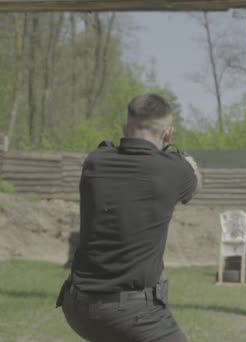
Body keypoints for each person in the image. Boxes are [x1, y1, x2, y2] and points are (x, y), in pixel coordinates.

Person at [56, 93, 202, 341]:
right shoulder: (174, 170)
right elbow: (196, 183)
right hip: (131, 313)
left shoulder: (95, 161)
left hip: (77, 305)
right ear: (167, 134)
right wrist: (187, 162)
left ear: (125, 128)